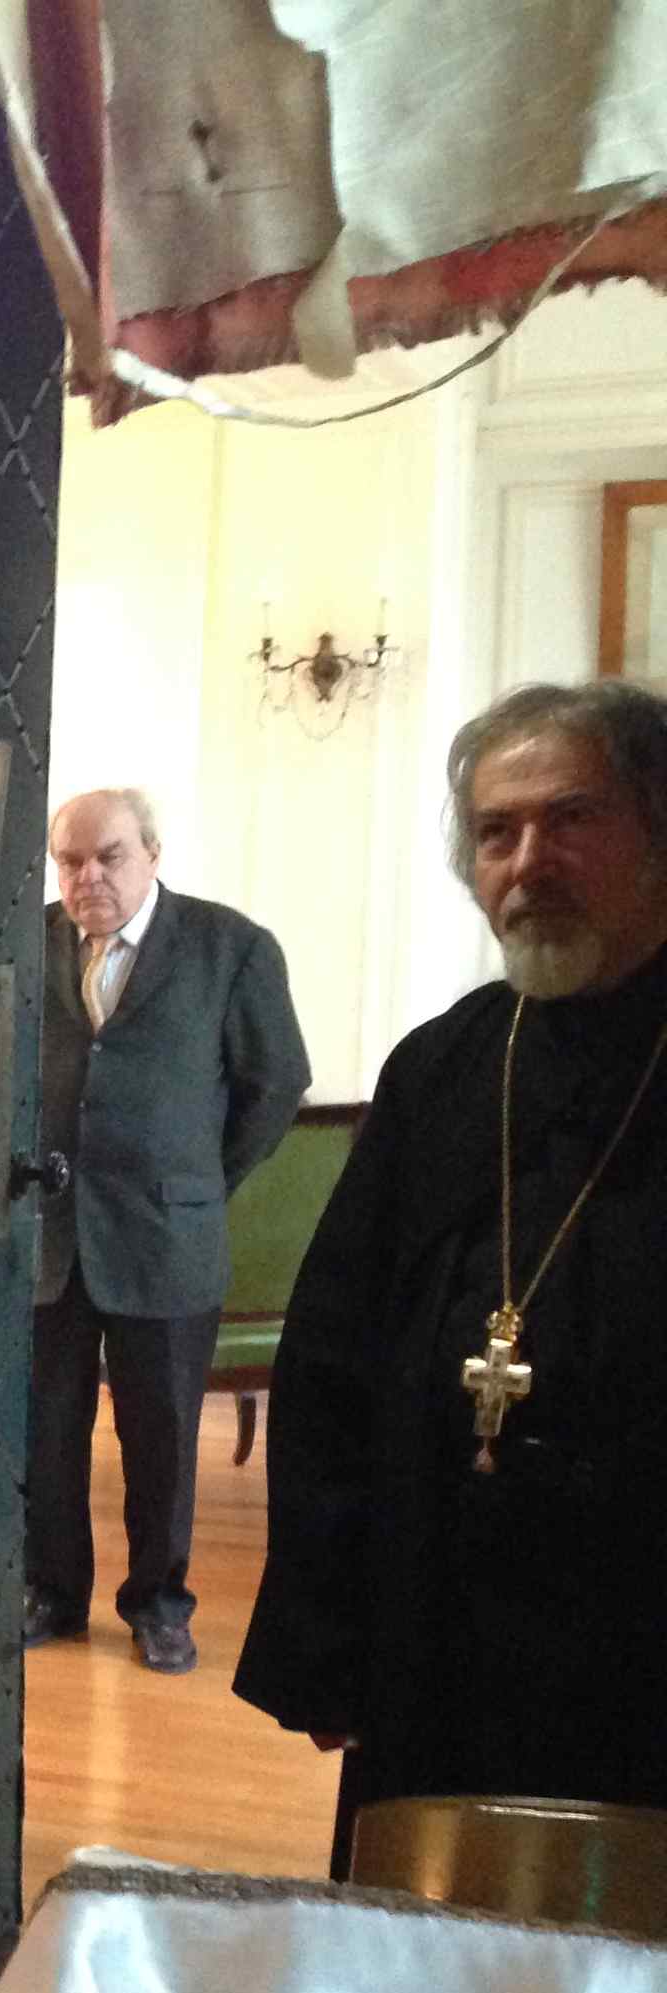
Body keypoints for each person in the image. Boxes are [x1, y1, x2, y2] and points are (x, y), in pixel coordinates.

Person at [237, 681, 667, 1864]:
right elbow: (330, 1364)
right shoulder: (443, 1069)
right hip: (442, 1631)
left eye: (571, 818)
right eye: (496, 832)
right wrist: (326, 1633)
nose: (529, 860)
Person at [28, 786, 308, 1673]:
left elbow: (275, 1084)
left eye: (107, 856)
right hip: (51, 1237)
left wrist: (201, 1180)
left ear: (152, 852)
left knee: (160, 1436)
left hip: (167, 1236)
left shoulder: (230, 948)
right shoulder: (25, 939)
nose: (87, 877)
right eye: (69, 861)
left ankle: (159, 1602)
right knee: (46, 1429)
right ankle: (52, 1591)